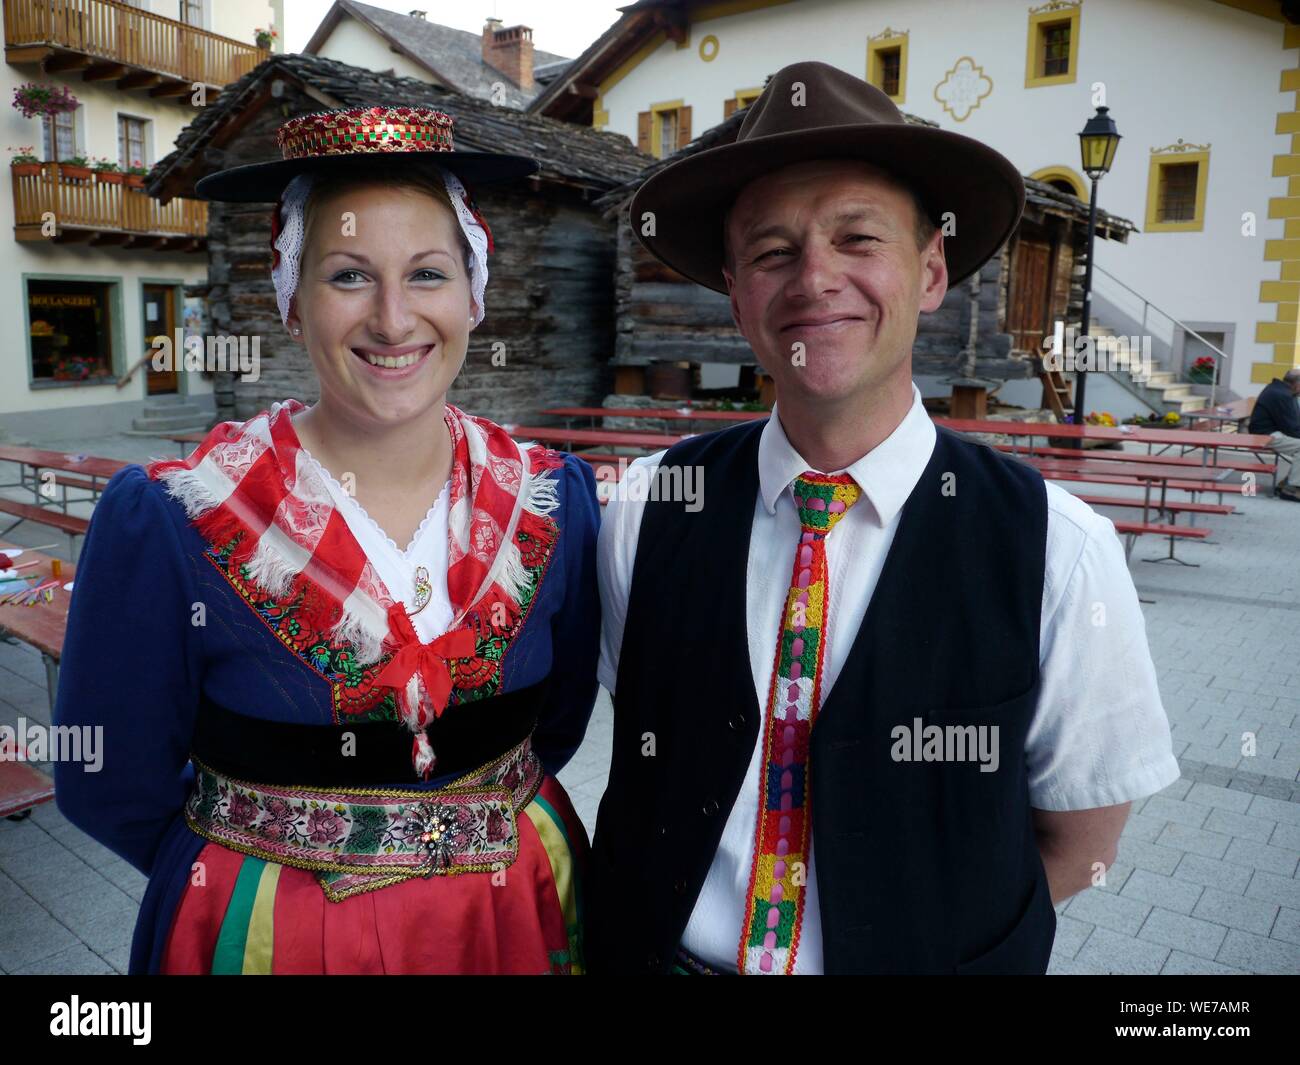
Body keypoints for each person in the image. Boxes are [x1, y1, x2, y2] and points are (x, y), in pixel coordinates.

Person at [587, 62, 1181, 975]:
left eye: (858, 239)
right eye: (772, 252)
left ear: (932, 270)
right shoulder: (647, 510)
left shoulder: (1058, 549)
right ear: (739, 292)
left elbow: (1083, 837)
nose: (814, 279)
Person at [54, 106, 600, 974]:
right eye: (348, 276)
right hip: (274, 939)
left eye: (427, 273)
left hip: (515, 923)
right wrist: (242, 875)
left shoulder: (552, 503)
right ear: (292, 301)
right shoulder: (174, 519)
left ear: (472, 293)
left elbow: (556, 723)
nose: (393, 318)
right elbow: (108, 780)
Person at [1247, 368, 1300, 501]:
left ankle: (1285, 484)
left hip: (1272, 431)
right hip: (1265, 435)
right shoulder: (1282, 395)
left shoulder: (1281, 390)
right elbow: (1292, 429)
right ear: (1297, 384)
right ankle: (1292, 490)